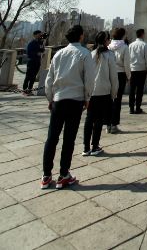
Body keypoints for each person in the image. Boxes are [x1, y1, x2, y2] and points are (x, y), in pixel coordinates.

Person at [41, 25, 95, 190]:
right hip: (75, 100)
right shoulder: (85, 54)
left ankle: (46, 175)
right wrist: (87, 98)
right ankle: (64, 174)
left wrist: (50, 98)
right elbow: (90, 80)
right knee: (69, 139)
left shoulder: (58, 54)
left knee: (52, 138)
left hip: (58, 100)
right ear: (80, 36)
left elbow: (49, 79)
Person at [83, 31, 118, 156]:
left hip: (92, 91)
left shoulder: (90, 54)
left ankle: (86, 147)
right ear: (105, 41)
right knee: (98, 120)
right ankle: (95, 145)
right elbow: (113, 76)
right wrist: (114, 92)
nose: (110, 41)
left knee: (89, 119)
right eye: (109, 39)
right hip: (104, 91)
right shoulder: (109, 55)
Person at [108, 27, 131, 133]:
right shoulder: (125, 47)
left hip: (109, 73)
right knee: (117, 100)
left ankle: (107, 124)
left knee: (109, 99)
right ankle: (114, 124)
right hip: (120, 74)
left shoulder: (109, 46)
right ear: (123, 35)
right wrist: (128, 76)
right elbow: (126, 64)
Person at [128, 28, 147, 115]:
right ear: (142, 34)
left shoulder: (131, 45)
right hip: (142, 70)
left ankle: (131, 108)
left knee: (132, 89)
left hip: (132, 69)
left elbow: (128, 58)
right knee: (140, 90)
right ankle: (137, 107)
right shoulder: (145, 45)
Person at [22, 30, 46, 94]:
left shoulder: (40, 43)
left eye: (41, 34)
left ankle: (30, 89)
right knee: (28, 76)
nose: (40, 36)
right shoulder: (31, 43)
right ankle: (24, 89)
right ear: (35, 35)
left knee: (34, 76)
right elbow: (29, 53)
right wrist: (36, 54)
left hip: (38, 61)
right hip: (31, 61)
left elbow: (42, 50)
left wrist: (42, 51)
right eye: (39, 34)